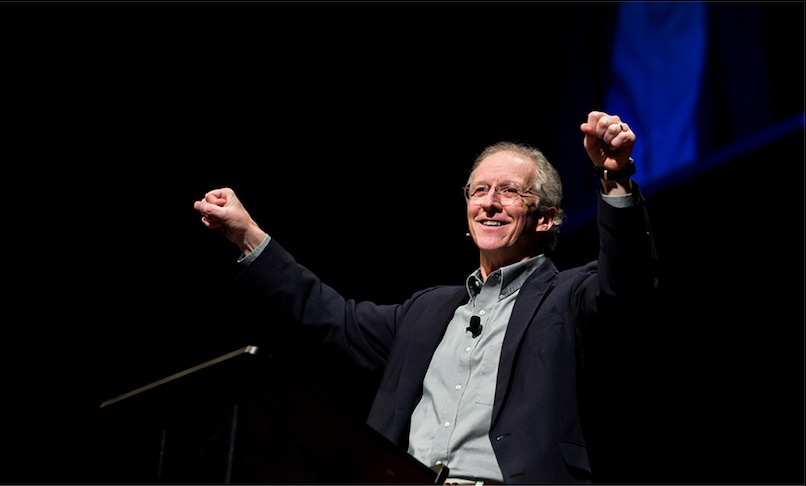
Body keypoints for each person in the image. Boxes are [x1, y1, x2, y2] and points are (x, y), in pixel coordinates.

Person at [193, 110, 659, 484]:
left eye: (510, 192)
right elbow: (331, 317)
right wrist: (248, 235)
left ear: (545, 218)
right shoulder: (428, 310)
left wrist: (615, 177)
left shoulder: (569, 297)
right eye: (479, 190)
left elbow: (628, 283)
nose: (489, 202)